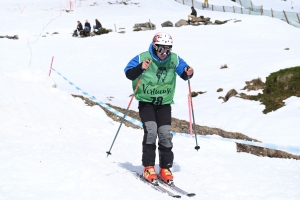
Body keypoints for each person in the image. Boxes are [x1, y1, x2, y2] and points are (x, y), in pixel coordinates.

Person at [124, 32, 194, 184]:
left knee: (164, 133)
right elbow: (128, 73)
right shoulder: (143, 57)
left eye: (167, 50)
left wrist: (189, 72)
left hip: (164, 103)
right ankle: (148, 167)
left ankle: (165, 167)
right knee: (151, 131)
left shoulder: (174, 58)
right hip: (146, 102)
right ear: (155, 47)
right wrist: (140, 67)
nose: (164, 53)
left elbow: (184, 73)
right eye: (161, 49)